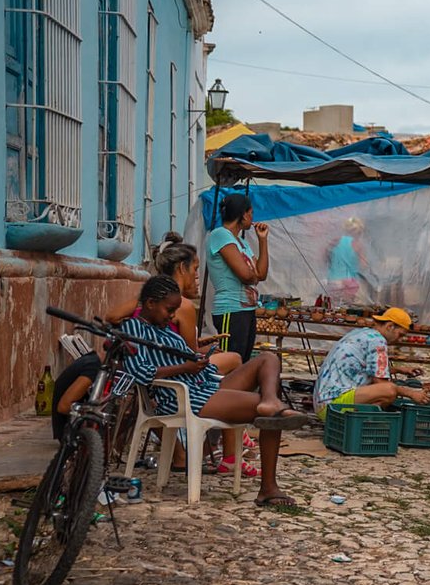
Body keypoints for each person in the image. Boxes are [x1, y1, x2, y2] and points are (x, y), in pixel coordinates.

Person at [116, 275, 309, 507]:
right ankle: (268, 488)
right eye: (169, 309)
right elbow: (139, 371)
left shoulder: (165, 328)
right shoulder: (132, 329)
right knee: (271, 414)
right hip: (182, 397)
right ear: (150, 303)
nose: (172, 315)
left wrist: (198, 360)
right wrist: (185, 367)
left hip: (203, 384)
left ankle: (270, 400)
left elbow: (182, 356)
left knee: (267, 358)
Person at [109, 233, 255, 476]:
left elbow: (114, 317)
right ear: (181, 268)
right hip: (174, 382)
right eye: (195, 269)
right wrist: (203, 351)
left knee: (225, 362)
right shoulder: (183, 305)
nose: (197, 276)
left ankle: (221, 442)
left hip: (155, 380)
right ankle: (230, 449)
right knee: (235, 360)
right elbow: (188, 356)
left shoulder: (154, 302)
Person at [313, 307, 430, 415]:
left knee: (389, 389)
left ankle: (359, 420)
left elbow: (366, 368)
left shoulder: (363, 333)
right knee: (389, 391)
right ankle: (359, 422)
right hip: (332, 407)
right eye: (400, 334)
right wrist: (412, 393)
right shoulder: (377, 341)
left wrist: (399, 369)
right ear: (390, 326)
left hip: (322, 403)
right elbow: (382, 384)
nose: (399, 339)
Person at [208, 192, 268, 360]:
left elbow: (260, 274)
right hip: (230, 310)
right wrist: (252, 274)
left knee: (242, 362)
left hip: (246, 310)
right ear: (243, 214)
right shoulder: (220, 235)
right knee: (230, 361)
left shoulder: (242, 242)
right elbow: (246, 276)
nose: (252, 217)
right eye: (251, 213)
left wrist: (262, 240)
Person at [327, 218, 365, 305]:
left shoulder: (335, 241)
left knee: (333, 307)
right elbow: (363, 265)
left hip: (333, 280)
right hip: (349, 281)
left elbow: (325, 257)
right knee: (347, 308)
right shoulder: (357, 245)